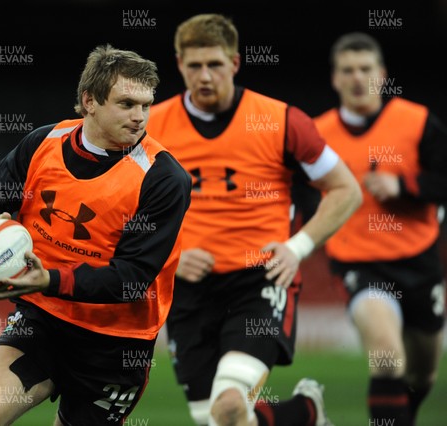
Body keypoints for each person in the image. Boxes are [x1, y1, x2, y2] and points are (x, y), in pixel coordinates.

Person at [0, 44, 192, 426]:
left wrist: (46, 279)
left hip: (116, 343)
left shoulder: (164, 179)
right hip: (43, 320)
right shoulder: (43, 143)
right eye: (126, 104)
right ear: (90, 101)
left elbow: (131, 278)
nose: (139, 118)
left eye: (145, 106)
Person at [146, 13, 362, 426]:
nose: (204, 76)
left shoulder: (281, 120)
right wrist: (170, 257)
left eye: (214, 64)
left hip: (259, 281)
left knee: (227, 407)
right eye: (194, 66)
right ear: (179, 64)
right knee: (219, 420)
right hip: (186, 292)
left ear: (235, 63)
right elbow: (126, 209)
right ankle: (304, 413)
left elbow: (345, 190)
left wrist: (297, 248)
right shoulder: (152, 126)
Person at [313, 32, 446, 426]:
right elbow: (300, 194)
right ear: (335, 78)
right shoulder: (317, 135)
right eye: (348, 70)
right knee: (387, 359)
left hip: (418, 261)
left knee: (422, 374)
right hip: (359, 264)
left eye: (366, 69)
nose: (358, 78)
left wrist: (405, 187)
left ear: (382, 75)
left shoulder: (417, 122)